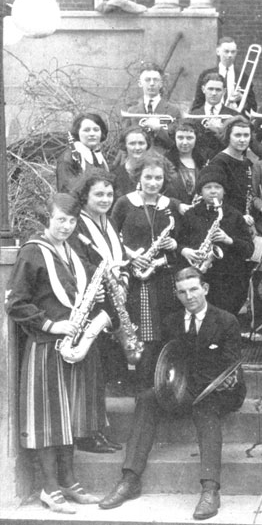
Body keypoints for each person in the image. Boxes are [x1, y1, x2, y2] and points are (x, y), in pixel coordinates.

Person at [98, 267, 246, 520]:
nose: (189, 296)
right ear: (176, 295)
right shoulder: (171, 321)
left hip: (219, 389)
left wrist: (188, 389)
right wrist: (165, 385)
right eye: (182, 292)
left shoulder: (227, 320)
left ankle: (210, 490)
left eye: (194, 289)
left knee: (204, 407)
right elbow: (165, 360)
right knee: (146, 398)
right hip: (182, 387)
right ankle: (130, 479)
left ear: (205, 289)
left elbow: (229, 365)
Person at [6, 193, 103, 514]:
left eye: (72, 221)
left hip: (72, 349)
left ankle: (69, 482)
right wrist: (50, 325)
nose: (66, 226)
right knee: (48, 420)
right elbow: (15, 303)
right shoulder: (33, 252)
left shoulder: (71, 250)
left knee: (68, 418)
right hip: (46, 347)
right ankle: (49, 488)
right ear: (47, 218)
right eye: (60, 219)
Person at [69, 172, 131, 450]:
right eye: (99, 195)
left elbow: (118, 258)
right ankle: (86, 434)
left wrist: (124, 280)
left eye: (109, 194)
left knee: (101, 372)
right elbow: (76, 263)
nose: (106, 199)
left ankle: (96, 429)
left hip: (112, 301)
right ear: (85, 196)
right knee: (90, 371)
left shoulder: (108, 219)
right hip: (90, 304)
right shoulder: (78, 225)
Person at [112, 151, 182, 390]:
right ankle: (142, 390)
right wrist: (132, 257)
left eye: (158, 179)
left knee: (164, 331)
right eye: (149, 177)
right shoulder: (124, 203)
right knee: (141, 335)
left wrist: (174, 245)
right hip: (135, 279)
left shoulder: (169, 205)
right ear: (138, 177)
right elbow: (110, 238)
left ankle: (163, 387)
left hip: (163, 277)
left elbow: (180, 241)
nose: (153, 183)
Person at [178, 170, 253, 314]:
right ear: (200, 191)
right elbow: (178, 243)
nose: (213, 191)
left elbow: (249, 249)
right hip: (198, 278)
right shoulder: (190, 215)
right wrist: (186, 251)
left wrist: (229, 240)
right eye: (208, 187)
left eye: (217, 187)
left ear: (224, 191)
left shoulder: (234, 215)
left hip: (228, 281)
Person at [201, 116, 256, 220]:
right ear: (228, 136)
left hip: (245, 219)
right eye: (237, 135)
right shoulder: (219, 162)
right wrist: (239, 217)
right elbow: (217, 199)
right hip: (227, 219)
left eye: (246, 135)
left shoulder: (247, 162)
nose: (242, 140)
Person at [123, 63, 182, 153]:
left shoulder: (173, 111)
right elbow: (125, 143)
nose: (151, 83)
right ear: (140, 83)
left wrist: (159, 129)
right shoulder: (131, 111)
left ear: (161, 84)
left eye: (155, 80)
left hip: (163, 161)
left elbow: (174, 144)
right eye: (147, 80)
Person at [192, 36, 257, 113]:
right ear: (218, 52)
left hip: (234, 118)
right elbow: (198, 102)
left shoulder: (243, 76)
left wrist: (242, 98)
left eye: (233, 52)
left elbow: (253, 106)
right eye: (226, 51)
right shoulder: (206, 74)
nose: (230, 55)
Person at [188, 72, 239, 164]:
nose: (214, 93)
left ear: (224, 91)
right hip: (198, 163)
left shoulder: (233, 115)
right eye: (210, 89)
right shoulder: (194, 114)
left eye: (218, 90)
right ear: (203, 89)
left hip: (225, 163)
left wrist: (220, 131)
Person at [56, 113, 110, 194]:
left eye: (96, 130)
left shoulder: (98, 156)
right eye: (86, 130)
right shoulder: (69, 157)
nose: (92, 134)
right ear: (78, 132)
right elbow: (66, 192)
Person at [164, 123, 206, 206]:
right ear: (174, 138)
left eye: (189, 138)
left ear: (196, 139)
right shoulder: (165, 161)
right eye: (180, 138)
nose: (185, 142)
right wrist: (177, 204)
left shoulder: (203, 162)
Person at [110, 127, 151, 201]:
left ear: (147, 145)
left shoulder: (155, 172)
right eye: (132, 143)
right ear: (125, 145)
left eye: (141, 143)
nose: (137, 147)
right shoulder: (115, 175)